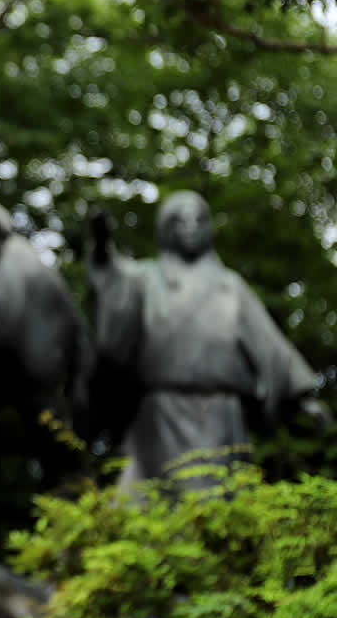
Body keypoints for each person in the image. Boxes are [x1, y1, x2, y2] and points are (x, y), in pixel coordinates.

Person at [87, 190, 324, 489]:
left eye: (198, 219)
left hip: (221, 417)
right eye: (180, 220)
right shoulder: (145, 277)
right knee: (150, 500)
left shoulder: (230, 286)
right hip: (161, 415)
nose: (190, 226)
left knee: (219, 498)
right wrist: (102, 249)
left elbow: (269, 343)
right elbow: (115, 282)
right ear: (166, 228)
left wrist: (303, 395)